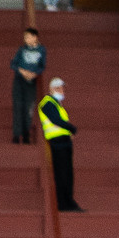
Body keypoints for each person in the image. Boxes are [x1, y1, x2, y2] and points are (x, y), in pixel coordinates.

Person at [39, 79, 77, 212]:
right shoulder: (47, 103)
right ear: (52, 89)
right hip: (56, 142)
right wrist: (72, 128)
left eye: (62, 88)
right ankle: (63, 204)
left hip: (64, 141)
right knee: (61, 173)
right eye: (58, 88)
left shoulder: (57, 104)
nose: (61, 91)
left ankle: (69, 202)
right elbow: (56, 120)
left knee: (67, 173)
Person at [11, 26, 46, 145]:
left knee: (28, 109)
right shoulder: (22, 50)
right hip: (19, 81)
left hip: (31, 82)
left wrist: (34, 74)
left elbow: (42, 66)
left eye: (28, 37)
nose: (26, 39)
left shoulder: (41, 50)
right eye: (25, 37)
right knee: (18, 106)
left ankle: (26, 134)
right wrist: (22, 71)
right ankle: (16, 135)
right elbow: (13, 64)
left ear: (35, 37)